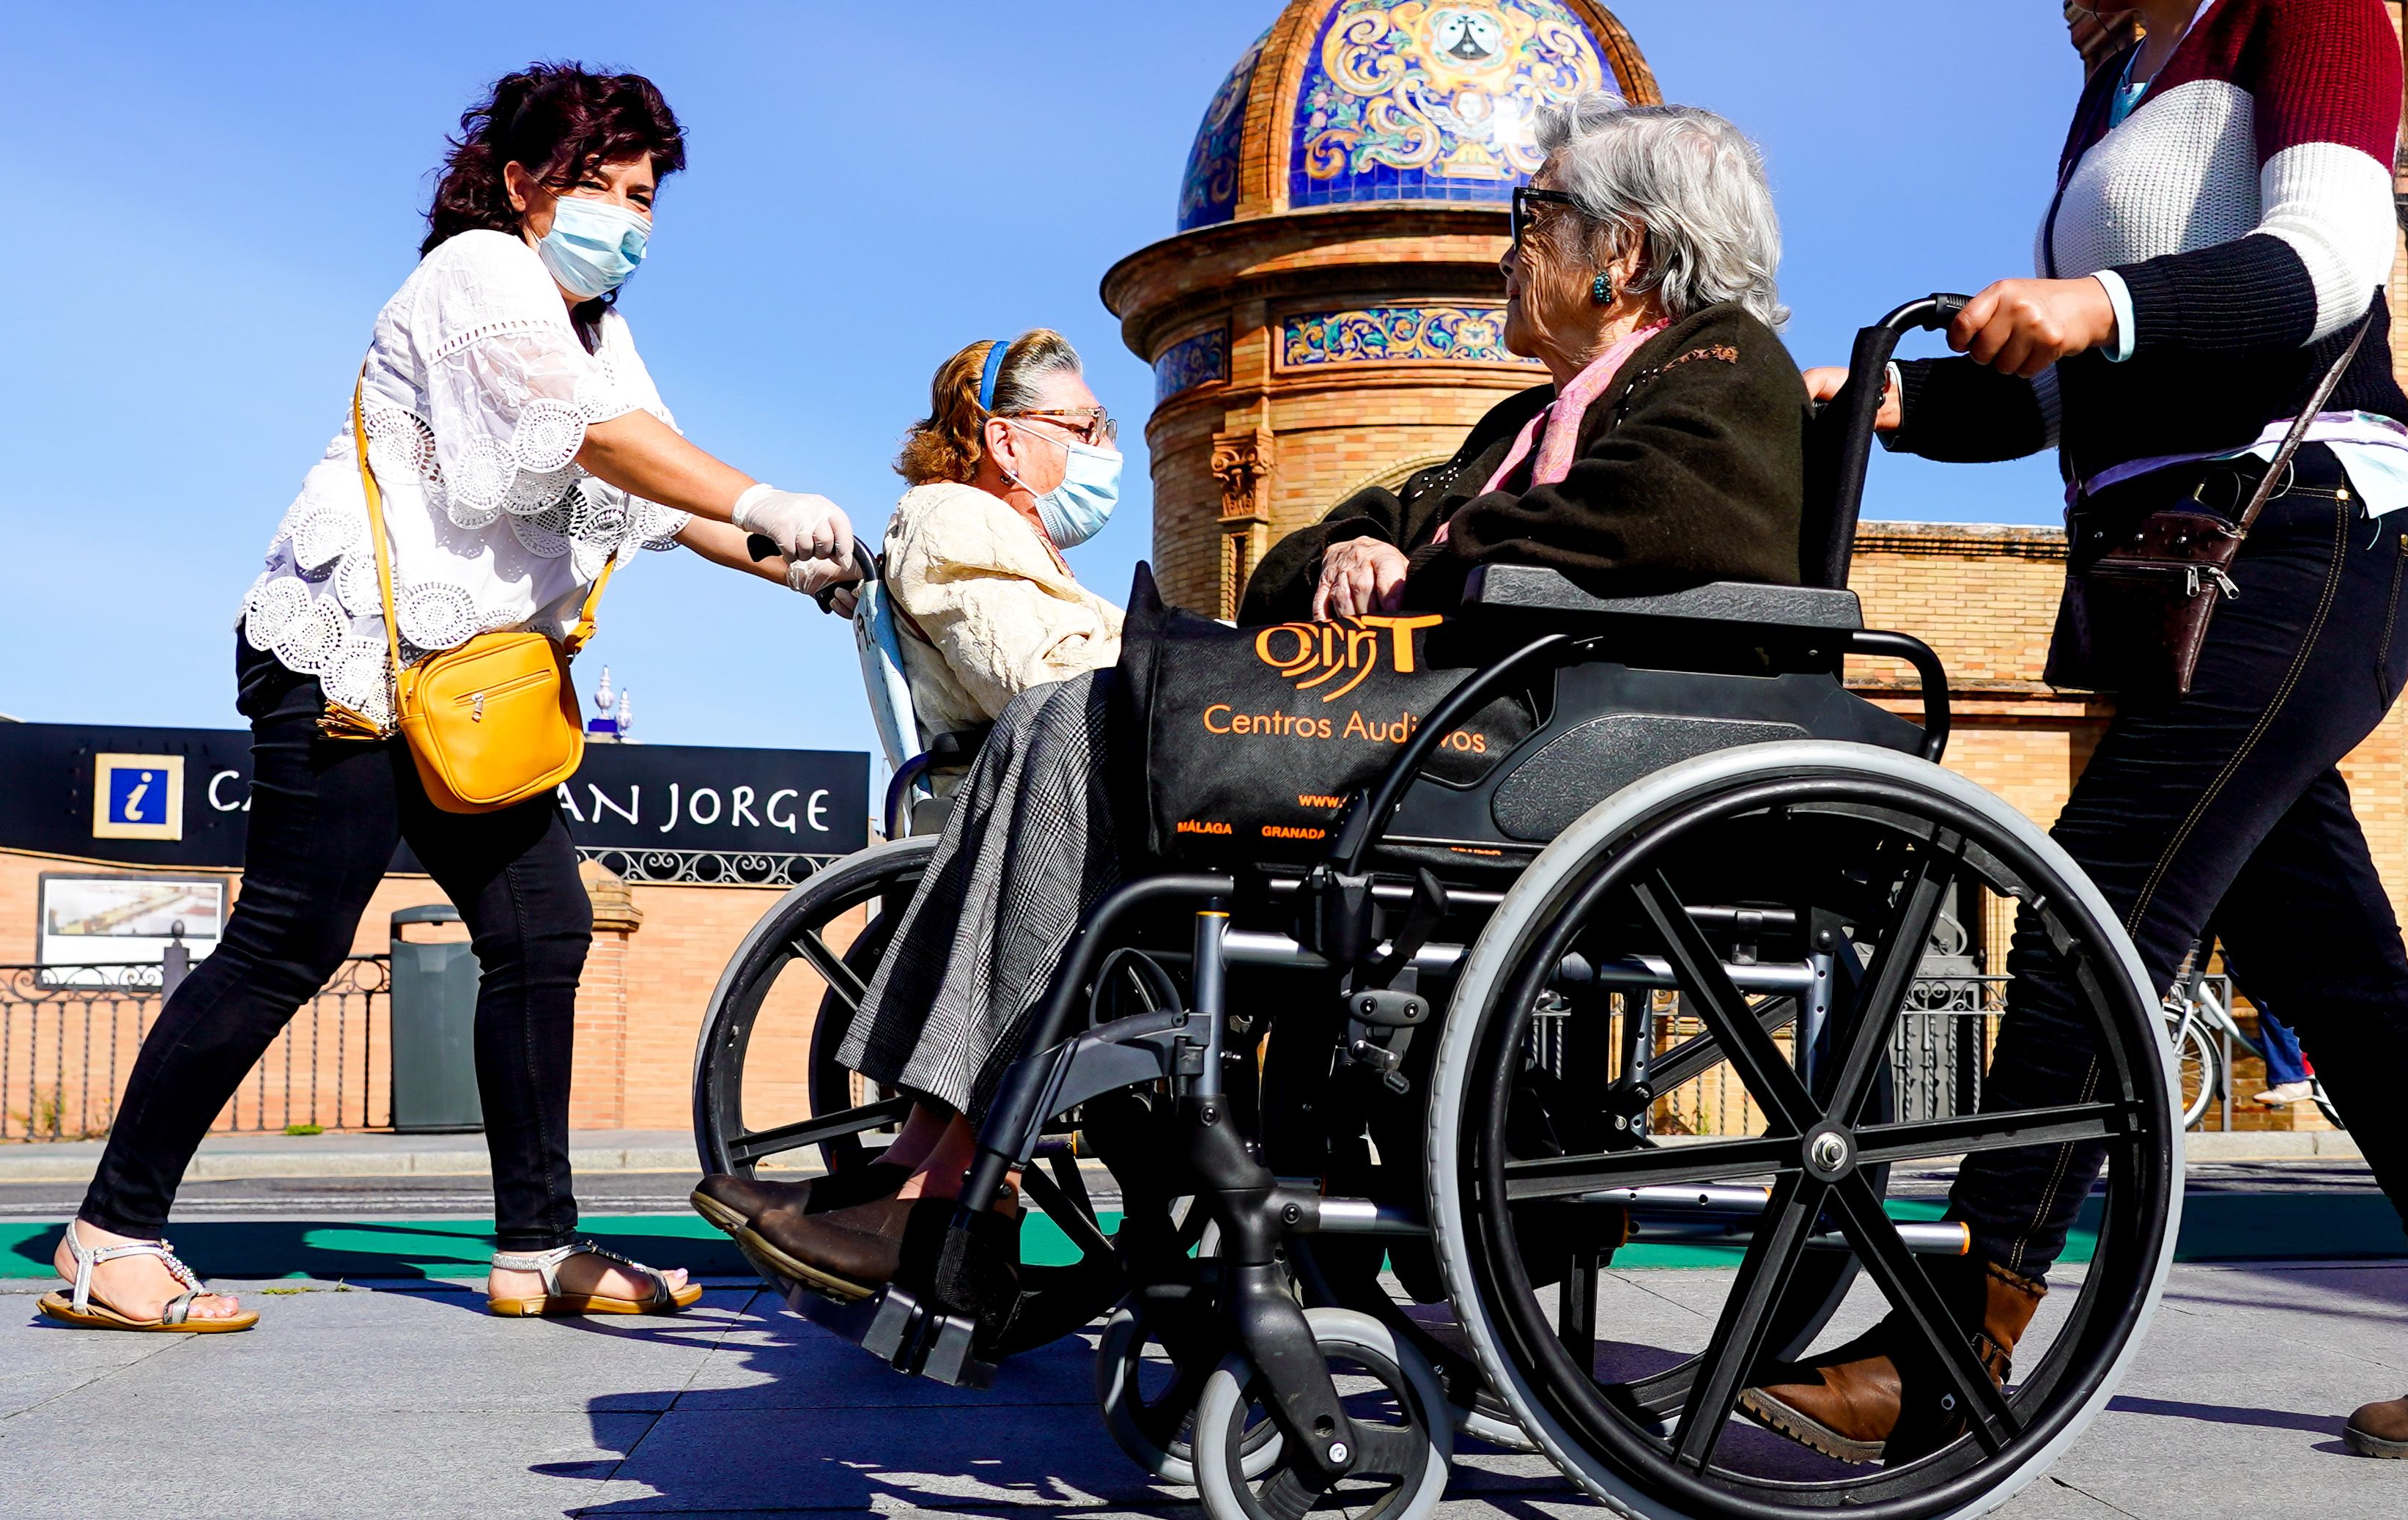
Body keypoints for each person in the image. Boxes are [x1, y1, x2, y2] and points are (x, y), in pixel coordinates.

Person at [1754, 0, 2408, 1466]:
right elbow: (2076, 391)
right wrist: (1892, 402)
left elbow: (2322, 262)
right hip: (2181, 578)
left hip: (2303, 545)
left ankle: (1957, 1343)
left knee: (2095, 899)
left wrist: (2102, 307)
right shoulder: (2117, 81)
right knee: (2344, 973)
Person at [696, 95, 1807, 1294]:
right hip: (1444, 731)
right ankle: (934, 1162)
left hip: (1522, 750)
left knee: (1083, 715)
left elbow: (1634, 527)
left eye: (1531, 214)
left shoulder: (1724, 370)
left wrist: (1421, 552)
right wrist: (1378, 548)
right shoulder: (1522, 420)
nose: (1508, 242)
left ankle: (948, 1184)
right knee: (1059, 720)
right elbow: (1301, 562)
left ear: (1624, 251)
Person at [43, 65, 866, 1335]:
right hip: (354, 659)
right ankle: (109, 1235)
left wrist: (792, 558)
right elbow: (598, 438)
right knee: (287, 939)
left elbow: (659, 486)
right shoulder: (480, 272)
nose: (627, 216)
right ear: (524, 180)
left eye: (643, 194)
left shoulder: (596, 323)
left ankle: (537, 1244)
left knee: (542, 930)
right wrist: (765, 494)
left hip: (465, 689)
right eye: (597, 184)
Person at [877, 331, 1127, 743]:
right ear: (1006, 445)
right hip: (1021, 804)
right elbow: (1051, 694)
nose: (1109, 448)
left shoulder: (993, 534)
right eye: (1086, 429)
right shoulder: (951, 519)